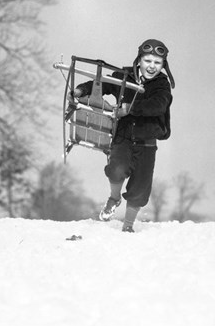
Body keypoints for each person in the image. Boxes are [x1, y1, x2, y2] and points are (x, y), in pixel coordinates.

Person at [71, 39, 174, 232]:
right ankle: (114, 198)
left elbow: (158, 105)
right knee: (116, 169)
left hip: (147, 142)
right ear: (139, 60)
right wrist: (81, 90)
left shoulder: (161, 85)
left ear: (163, 65)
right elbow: (102, 84)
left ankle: (127, 226)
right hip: (123, 137)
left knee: (140, 188)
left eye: (157, 63)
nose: (151, 66)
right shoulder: (124, 76)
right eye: (148, 60)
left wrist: (131, 108)